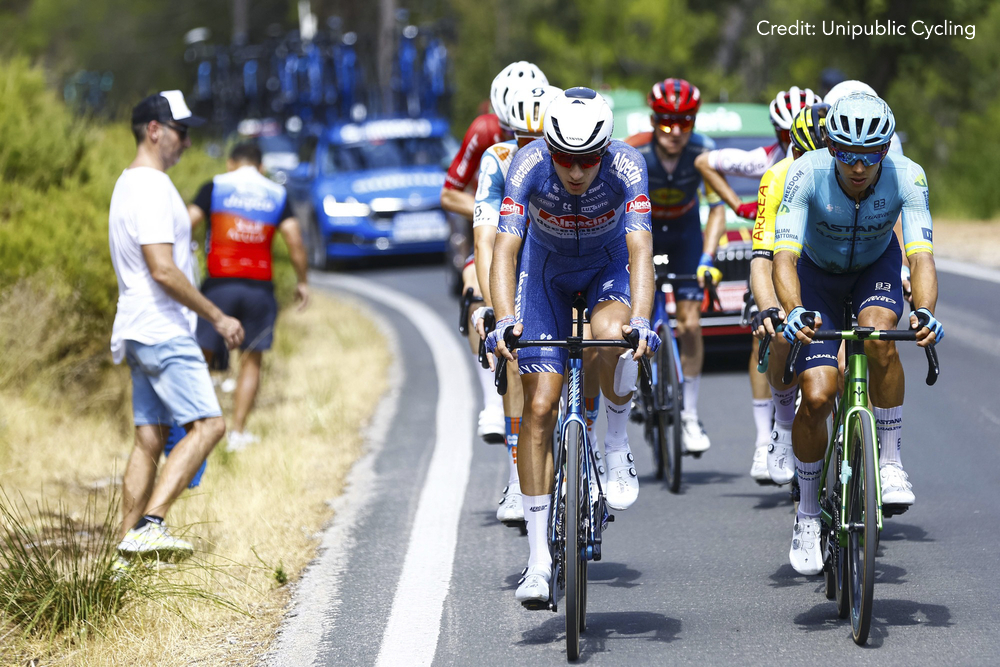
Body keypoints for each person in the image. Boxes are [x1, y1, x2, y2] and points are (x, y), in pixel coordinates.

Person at [486, 88, 658, 605]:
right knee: (540, 405)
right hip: (546, 272)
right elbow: (505, 248)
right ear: (548, 147)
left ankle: (616, 442)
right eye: (564, 158)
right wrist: (503, 320)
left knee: (613, 337)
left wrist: (643, 320)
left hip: (607, 268)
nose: (576, 172)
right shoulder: (527, 163)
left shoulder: (628, 166)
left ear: (603, 152)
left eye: (586, 161)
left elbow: (640, 248)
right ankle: (538, 560)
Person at [773, 93, 944, 575]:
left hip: (876, 268)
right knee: (819, 394)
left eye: (871, 155)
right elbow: (784, 258)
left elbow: (921, 256)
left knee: (879, 337)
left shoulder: (908, 176)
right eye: (847, 153)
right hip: (816, 277)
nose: (858, 166)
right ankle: (807, 511)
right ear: (831, 147)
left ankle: (889, 462)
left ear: (886, 150)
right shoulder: (804, 173)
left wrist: (925, 311)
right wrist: (794, 309)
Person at [109, 91, 244, 562]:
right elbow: (163, 270)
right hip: (162, 329)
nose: (187, 142)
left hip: (138, 328)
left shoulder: (128, 184)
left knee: (149, 438)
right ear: (154, 130)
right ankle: (150, 524)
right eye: (181, 132)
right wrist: (218, 316)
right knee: (209, 425)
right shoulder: (150, 187)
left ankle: (123, 553)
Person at [694, 86, 821, 457]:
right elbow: (705, 162)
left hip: (812, 257)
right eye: (785, 134)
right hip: (771, 254)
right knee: (765, 337)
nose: (793, 139)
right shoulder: (767, 160)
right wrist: (739, 205)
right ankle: (766, 438)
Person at [441, 61, 548, 444]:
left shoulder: (548, 122)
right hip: (495, 223)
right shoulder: (485, 132)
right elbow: (449, 192)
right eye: (513, 131)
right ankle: (490, 400)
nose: (523, 138)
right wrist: (497, 211)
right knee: (475, 291)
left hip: (544, 230)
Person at [471, 84, 563, 525]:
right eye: (522, 139)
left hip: (563, 258)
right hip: (519, 257)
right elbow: (487, 242)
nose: (532, 149)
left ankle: (594, 448)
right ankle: (515, 476)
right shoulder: (499, 160)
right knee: (515, 356)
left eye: (540, 140)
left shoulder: (572, 161)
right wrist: (496, 309)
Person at [626, 78, 727, 453]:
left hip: (684, 233)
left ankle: (688, 415)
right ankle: (638, 385)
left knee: (691, 323)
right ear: (653, 120)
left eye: (684, 122)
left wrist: (707, 257)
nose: (674, 132)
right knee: (635, 317)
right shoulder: (634, 150)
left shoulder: (703, 150)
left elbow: (717, 208)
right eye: (666, 122)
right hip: (643, 233)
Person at [188, 141, 310, 451]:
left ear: (230, 163)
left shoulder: (215, 186)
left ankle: (196, 429)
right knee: (251, 361)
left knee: (201, 358)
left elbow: (186, 222)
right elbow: (294, 240)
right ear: (261, 167)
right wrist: (302, 281)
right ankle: (238, 433)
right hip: (259, 287)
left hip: (219, 285)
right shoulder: (276, 193)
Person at [747, 103, 830, 484]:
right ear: (791, 151)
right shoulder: (777, 177)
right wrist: (768, 308)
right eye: (802, 156)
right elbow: (762, 259)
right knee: (780, 329)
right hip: (789, 267)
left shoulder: (848, 174)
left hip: (836, 270)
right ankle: (782, 424)